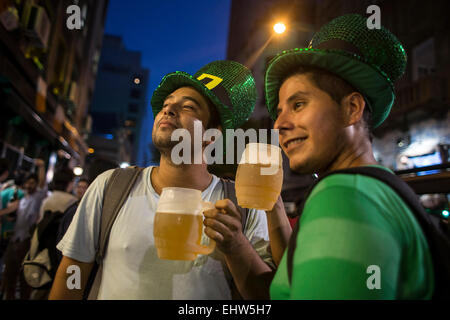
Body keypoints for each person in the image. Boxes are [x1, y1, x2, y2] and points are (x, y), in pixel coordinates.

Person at [49, 60, 290, 300]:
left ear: (211, 136)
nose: (168, 110)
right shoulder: (111, 186)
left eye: (188, 107)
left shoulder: (242, 206)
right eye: (166, 104)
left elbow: (267, 296)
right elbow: (72, 272)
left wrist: (237, 245)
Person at [264, 14, 433, 299]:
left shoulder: (344, 195)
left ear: (352, 108)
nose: (279, 125)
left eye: (299, 104)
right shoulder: (378, 187)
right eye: (279, 111)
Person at [2, 159, 47, 299]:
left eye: (32, 183)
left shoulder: (37, 198)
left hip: (26, 242)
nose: (29, 185)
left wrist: (42, 167)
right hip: (13, 240)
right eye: (27, 183)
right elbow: (12, 214)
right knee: (9, 276)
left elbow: (41, 183)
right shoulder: (21, 199)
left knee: (24, 280)